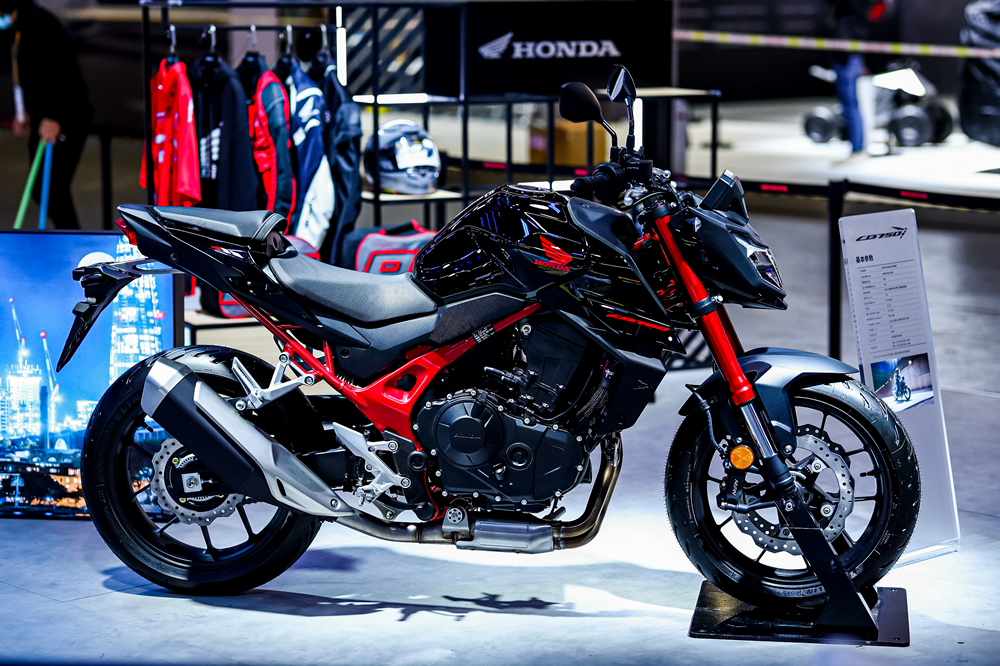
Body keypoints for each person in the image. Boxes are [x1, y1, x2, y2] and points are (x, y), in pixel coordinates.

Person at [1, 0, 92, 229]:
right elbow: (24, 72)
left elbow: (60, 72)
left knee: (51, 190)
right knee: (43, 189)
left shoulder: (40, 24)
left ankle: (71, 238)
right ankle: (68, 237)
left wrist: (53, 116)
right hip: (42, 117)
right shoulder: (19, 26)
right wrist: (23, 110)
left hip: (64, 118)